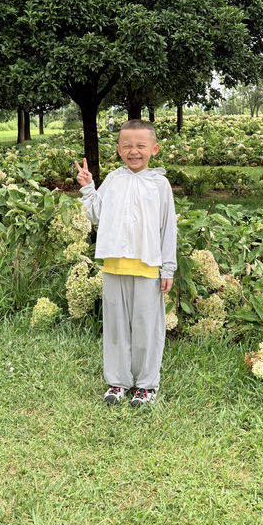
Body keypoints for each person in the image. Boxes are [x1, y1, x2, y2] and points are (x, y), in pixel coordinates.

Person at [75, 119, 177, 407]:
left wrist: (167, 268)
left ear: (154, 149)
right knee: (116, 328)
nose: (134, 151)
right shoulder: (114, 180)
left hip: (148, 268)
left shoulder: (160, 184)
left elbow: (168, 228)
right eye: (127, 146)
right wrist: (88, 187)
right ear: (119, 150)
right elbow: (97, 215)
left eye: (141, 145)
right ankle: (118, 381)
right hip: (114, 267)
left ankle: (146, 385)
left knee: (147, 329)